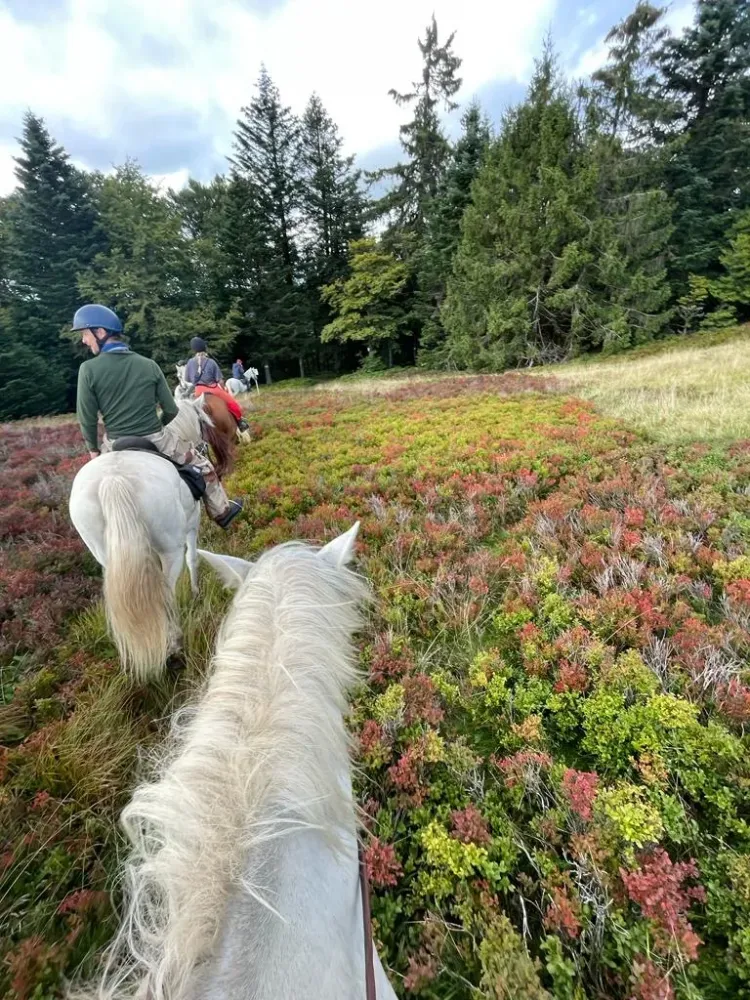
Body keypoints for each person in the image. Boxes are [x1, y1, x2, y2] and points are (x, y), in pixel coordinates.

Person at [73, 304, 243, 529]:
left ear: (100, 332)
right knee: (204, 466)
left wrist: (94, 451)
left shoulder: (87, 369)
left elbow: (86, 418)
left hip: (114, 444)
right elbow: (171, 410)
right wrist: (157, 426)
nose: (84, 340)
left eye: (85, 334)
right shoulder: (149, 365)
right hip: (156, 438)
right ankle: (222, 512)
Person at [185, 338, 249, 430]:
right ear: (204, 348)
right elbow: (220, 381)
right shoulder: (211, 362)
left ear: (193, 349)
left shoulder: (190, 362)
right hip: (213, 390)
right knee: (233, 404)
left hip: (198, 392)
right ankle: (240, 422)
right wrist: (224, 390)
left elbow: (187, 379)